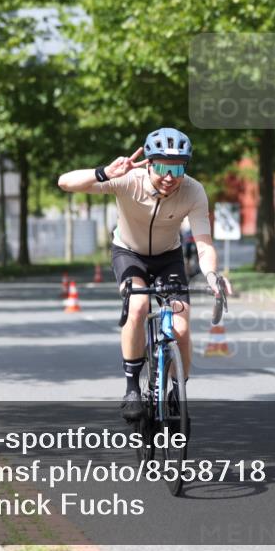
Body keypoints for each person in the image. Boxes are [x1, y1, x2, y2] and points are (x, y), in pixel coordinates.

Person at [57, 127, 233, 420]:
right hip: (129, 253)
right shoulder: (127, 181)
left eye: (177, 168)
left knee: (182, 327)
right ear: (149, 163)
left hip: (169, 258)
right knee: (138, 305)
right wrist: (104, 173)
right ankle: (131, 389)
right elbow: (65, 182)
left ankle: (178, 390)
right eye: (162, 166)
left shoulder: (193, 191)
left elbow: (204, 244)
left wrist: (212, 275)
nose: (169, 176)